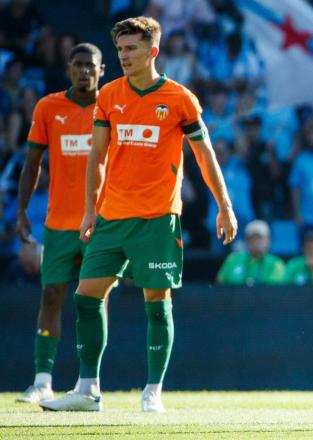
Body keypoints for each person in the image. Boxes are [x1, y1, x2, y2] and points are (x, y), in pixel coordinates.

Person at [39, 16, 237, 413]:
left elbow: (205, 155)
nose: (124, 56)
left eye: (131, 49)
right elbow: (97, 155)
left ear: (153, 51)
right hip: (111, 216)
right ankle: (88, 389)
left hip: (157, 217)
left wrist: (225, 206)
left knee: (156, 300)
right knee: (85, 297)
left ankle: (153, 391)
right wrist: (90, 210)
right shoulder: (109, 95)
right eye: (120, 49)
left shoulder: (180, 98)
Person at [14, 43, 105, 404]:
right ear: (68, 67)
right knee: (51, 295)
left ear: (103, 70)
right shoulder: (48, 107)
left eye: (90, 66)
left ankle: (90, 383)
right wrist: (22, 211)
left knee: (93, 302)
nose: (84, 71)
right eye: (78, 65)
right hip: (59, 224)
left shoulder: (112, 106)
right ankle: (42, 380)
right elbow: (32, 163)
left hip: (101, 223)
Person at [216, 219, 285, 286]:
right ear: (246, 241)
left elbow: (274, 291)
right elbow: (220, 284)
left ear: (268, 241)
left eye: (259, 238)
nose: (256, 241)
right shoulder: (233, 260)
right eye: (252, 238)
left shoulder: (275, 264)